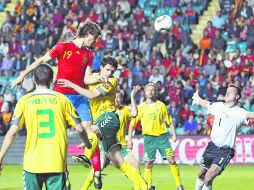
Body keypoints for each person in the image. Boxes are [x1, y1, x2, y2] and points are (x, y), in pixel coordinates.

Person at [11, 21, 104, 189]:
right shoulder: (63, 47)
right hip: (62, 96)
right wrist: (22, 76)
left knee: (89, 130)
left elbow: (86, 79)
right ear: (89, 34)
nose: (96, 41)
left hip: (80, 96)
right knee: (61, 135)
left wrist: (98, 78)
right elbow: (41, 60)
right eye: (95, 38)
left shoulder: (89, 54)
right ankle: (64, 172)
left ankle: (96, 171)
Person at [58, 56, 151, 190]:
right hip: (102, 123)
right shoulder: (95, 77)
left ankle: (86, 156)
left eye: (112, 71)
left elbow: (91, 95)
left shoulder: (112, 81)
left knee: (89, 130)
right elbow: (86, 79)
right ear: (101, 67)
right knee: (120, 162)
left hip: (109, 117)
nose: (109, 73)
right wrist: (88, 61)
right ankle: (143, 185)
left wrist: (72, 85)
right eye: (107, 70)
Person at [0, 64, 91, 190]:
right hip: (56, 163)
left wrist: (0, 157)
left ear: (34, 80)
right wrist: (87, 143)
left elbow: (12, 132)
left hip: (32, 164)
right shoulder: (62, 99)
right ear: (52, 79)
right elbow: (80, 129)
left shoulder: (24, 100)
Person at [192, 84, 254, 190]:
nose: (227, 92)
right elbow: (207, 104)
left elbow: (251, 114)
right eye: (227, 91)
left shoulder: (240, 112)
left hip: (225, 151)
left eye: (231, 91)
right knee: (200, 175)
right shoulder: (219, 106)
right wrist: (198, 99)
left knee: (208, 178)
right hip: (211, 147)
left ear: (237, 96)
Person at [81, 87, 142, 190]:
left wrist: (132, 96)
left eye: (119, 97)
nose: (117, 100)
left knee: (135, 164)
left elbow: (135, 113)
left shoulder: (125, 110)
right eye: (115, 97)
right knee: (98, 169)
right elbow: (94, 130)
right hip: (105, 146)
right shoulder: (103, 113)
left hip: (120, 147)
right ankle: (84, 188)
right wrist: (86, 142)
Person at [128, 83, 184, 190]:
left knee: (171, 160)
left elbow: (169, 120)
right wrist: (129, 139)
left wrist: (174, 134)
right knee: (148, 163)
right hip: (149, 139)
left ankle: (178, 185)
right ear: (145, 93)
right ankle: (148, 186)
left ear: (156, 93)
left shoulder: (161, 105)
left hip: (162, 138)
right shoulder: (140, 107)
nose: (150, 91)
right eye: (148, 90)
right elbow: (132, 124)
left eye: (153, 90)